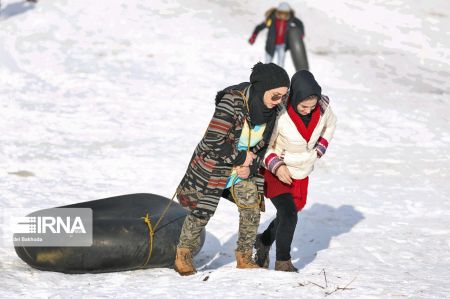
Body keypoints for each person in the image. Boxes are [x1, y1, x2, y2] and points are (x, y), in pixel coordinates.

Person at [174, 62, 290, 276]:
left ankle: (244, 257)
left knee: (251, 208)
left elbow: (264, 146)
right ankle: (183, 254)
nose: (279, 102)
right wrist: (240, 157)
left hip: (245, 167)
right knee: (202, 211)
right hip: (214, 164)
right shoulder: (233, 102)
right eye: (275, 96)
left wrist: (251, 165)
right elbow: (212, 140)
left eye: (284, 96)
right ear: (262, 88)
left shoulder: (274, 112)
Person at [254, 70, 337, 272]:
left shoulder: (323, 109)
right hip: (277, 171)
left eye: (312, 106)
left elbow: (331, 125)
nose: (308, 110)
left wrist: (319, 149)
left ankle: (264, 240)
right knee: (289, 214)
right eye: (303, 106)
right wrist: (277, 165)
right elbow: (264, 144)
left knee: (289, 213)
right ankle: (283, 262)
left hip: (302, 169)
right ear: (295, 98)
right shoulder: (280, 113)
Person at [248, 2, 305, 68]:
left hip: (282, 45)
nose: (283, 16)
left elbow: (300, 23)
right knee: (268, 63)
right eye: (281, 13)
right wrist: (253, 36)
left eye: (285, 14)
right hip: (271, 44)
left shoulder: (290, 19)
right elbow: (259, 27)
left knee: (280, 64)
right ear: (278, 12)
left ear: (287, 14)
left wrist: (301, 34)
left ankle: (279, 76)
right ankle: (266, 75)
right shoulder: (271, 19)